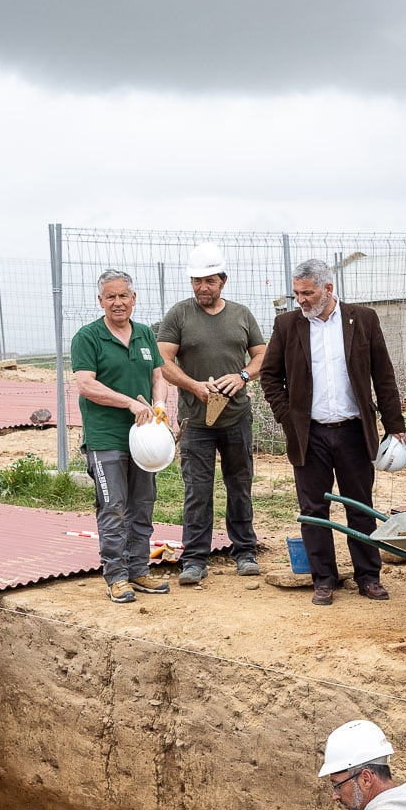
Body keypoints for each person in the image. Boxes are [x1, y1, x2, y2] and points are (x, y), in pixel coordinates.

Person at [261, 259, 406, 606]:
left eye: (308, 292)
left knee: (360, 506)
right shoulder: (287, 326)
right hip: (308, 435)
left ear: (328, 289)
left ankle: (368, 577)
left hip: (354, 432)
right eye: (297, 293)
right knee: (313, 510)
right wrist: (288, 417)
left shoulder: (363, 319)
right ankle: (324, 578)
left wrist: (396, 425)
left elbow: (383, 376)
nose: (301, 300)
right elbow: (269, 376)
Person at [157, 243, 268, 585]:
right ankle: (194, 559)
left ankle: (245, 551)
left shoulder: (241, 315)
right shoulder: (179, 315)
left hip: (236, 417)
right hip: (196, 421)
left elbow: (262, 355)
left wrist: (243, 376)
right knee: (197, 490)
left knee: (240, 485)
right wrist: (193, 386)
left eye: (209, 281)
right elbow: (163, 362)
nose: (203, 287)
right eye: (196, 281)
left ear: (223, 280)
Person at [70, 269, 171, 605]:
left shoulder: (144, 334)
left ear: (133, 298)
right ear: (100, 301)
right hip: (106, 437)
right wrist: (129, 402)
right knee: (113, 507)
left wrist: (158, 405)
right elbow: (86, 384)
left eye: (123, 295)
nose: (117, 302)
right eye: (110, 297)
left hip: (144, 438)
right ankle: (116, 576)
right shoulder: (88, 337)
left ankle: (138, 568)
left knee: (142, 504)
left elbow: (159, 376)